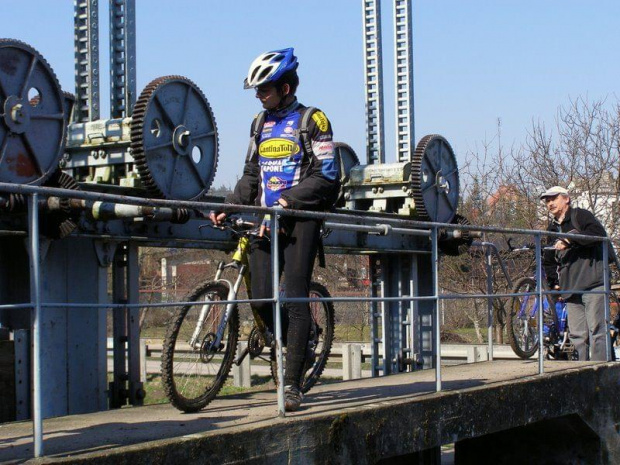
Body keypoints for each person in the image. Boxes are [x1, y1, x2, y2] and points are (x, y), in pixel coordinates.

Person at [210, 48, 338, 411]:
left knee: (295, 297)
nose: (258, 95)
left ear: (285, 87)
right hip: (266, 221)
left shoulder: (313, 120)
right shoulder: (259, 124)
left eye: (264, 89)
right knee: (263, 298)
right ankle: (303, 337)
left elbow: (327, 176)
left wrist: (289, 201)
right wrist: (228, 205)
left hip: (300, 221)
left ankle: (293, 384)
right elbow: (252, 176)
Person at [541, 185, 609, 361]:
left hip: (593, 283)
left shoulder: (581, 216)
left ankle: (599, 372)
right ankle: (580, 371)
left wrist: (569, 240)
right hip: (570, 288)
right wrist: (555, 282)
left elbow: (598, 234)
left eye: (553, 198)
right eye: (547, 201)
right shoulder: (552, 229)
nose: (550, 203)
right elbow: (548, 260)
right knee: (577, 335)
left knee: (597, 331)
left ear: (566, 199)